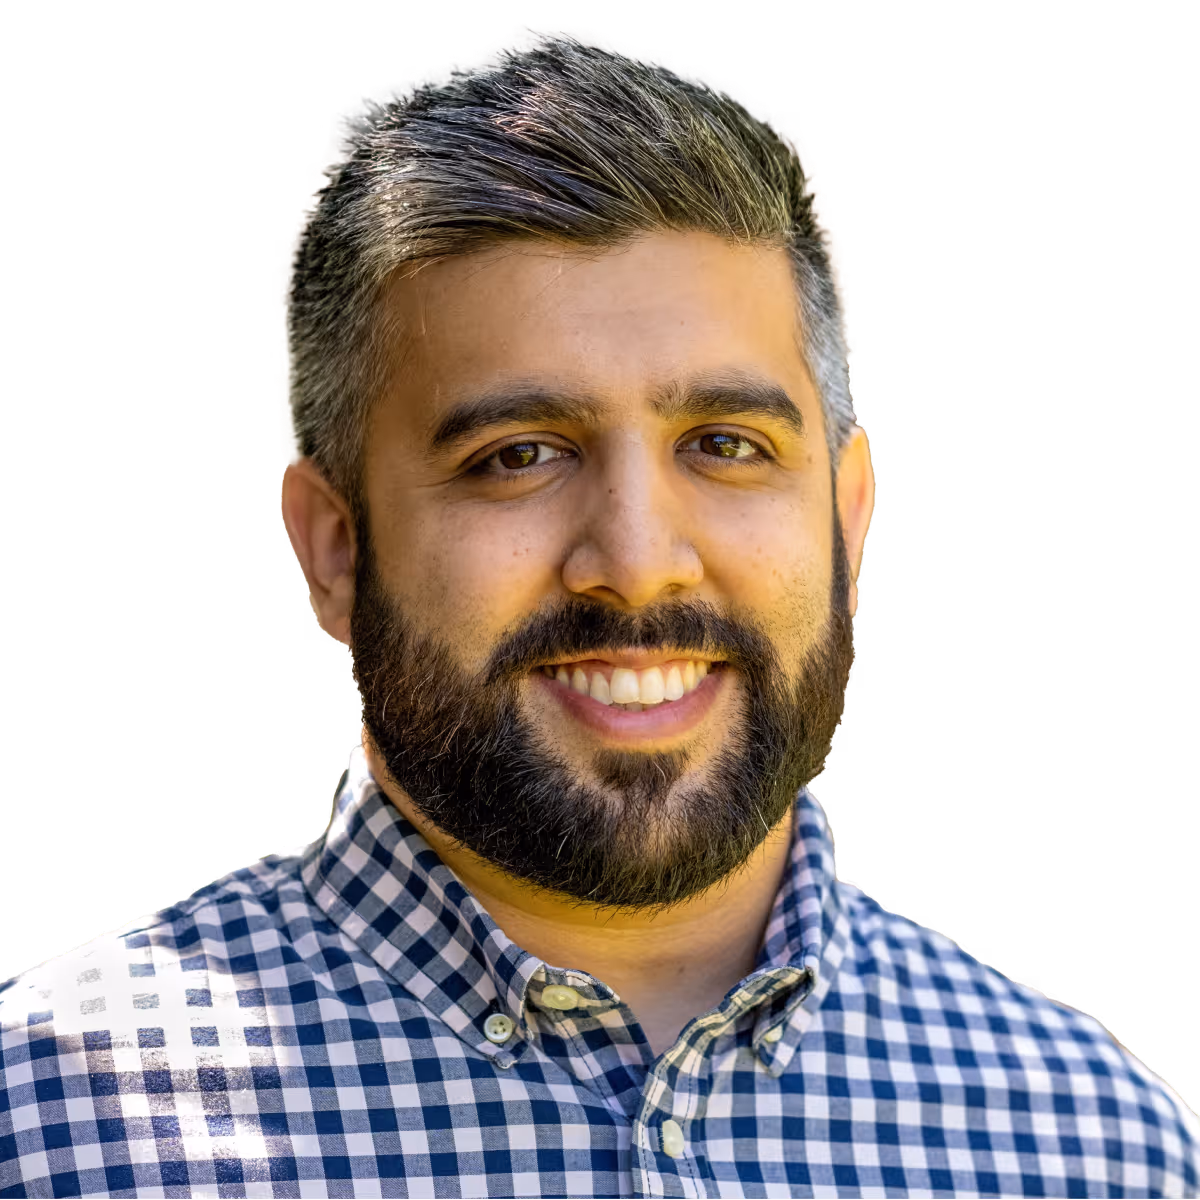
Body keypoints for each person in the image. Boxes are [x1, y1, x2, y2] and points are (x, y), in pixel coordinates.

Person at [2, 21, 1196, 1199]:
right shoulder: (43, 1126)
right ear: (334, 547)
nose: (636, 564)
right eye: (518, 455)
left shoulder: (1108, 1146)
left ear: (849, 520)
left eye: (726, 445)